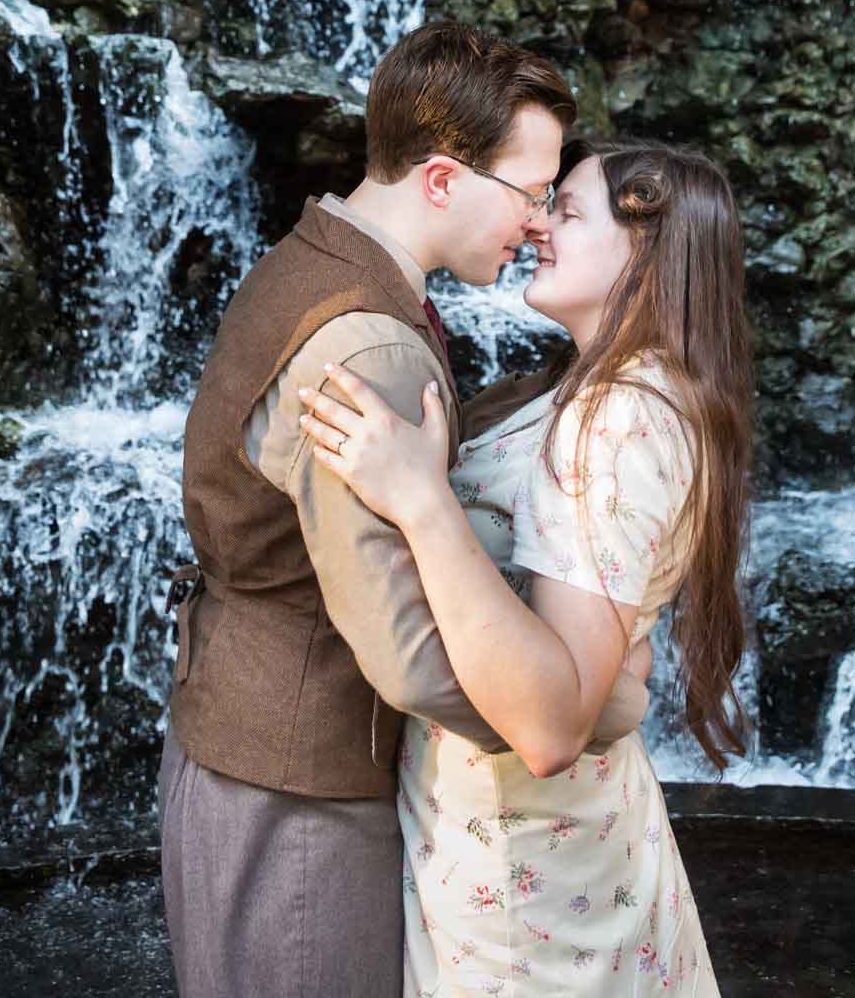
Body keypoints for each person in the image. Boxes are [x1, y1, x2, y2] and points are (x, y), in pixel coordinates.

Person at [159, 23, 653, 998]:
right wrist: (585, 701)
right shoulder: (367, 345)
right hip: (300, 800)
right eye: (528, 188)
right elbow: (413, 655)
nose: (540, 218)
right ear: (439, 179)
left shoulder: (312, 256)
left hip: (243, 748)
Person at [299, 137, 755, 995]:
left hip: (531, 889)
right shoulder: (598, 391)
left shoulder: (618, 420)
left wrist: (421, 499)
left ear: (648, 253)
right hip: (534, 853)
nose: (538, 223)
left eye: (568, 211)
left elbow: (548, 726)